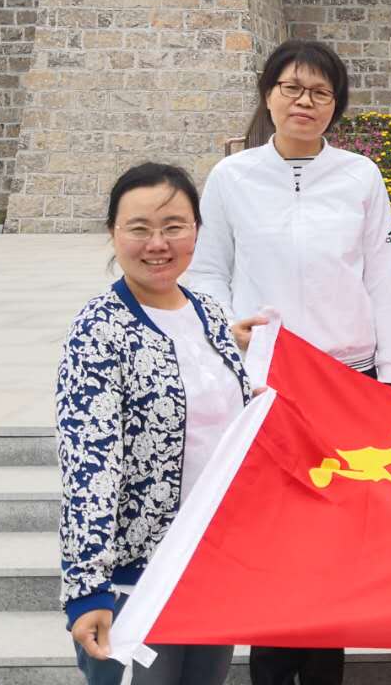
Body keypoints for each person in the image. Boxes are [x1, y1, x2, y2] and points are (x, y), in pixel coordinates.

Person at [184, 38, 391, 685]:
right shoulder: (233, 177)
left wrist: (390, 373)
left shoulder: (360, 176)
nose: (305, 102)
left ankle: (326, 671)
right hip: (265, 385)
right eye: (292, 88)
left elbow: (380, 277)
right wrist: (228, 331)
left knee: (334, 542)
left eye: (320, 92)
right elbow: (209, 270)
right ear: (269, 94)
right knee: (273, 538)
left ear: (336, 104)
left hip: (345, 380)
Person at [57, 162, 253, 685]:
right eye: (139, 228)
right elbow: (89, 465)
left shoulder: (210, 315)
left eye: (174, 226)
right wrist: (87, 589)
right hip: (136, 581)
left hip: (210, 567)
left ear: (197, 231)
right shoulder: (99, 330)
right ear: (113, 233)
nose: (158, 244)